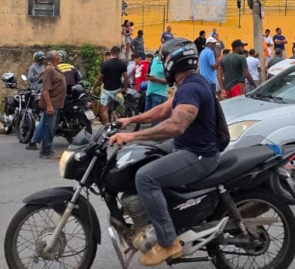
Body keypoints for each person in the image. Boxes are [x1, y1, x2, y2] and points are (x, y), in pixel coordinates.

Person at [108, 38, 221, 267]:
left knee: (146, 177)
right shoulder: (188, 84)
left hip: (199, 155)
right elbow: (162, 110)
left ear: (172, 62)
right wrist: (130, 119)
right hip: (188, 147)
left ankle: (168, 241)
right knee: (147, 154)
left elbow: (175, 126)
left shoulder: (192, 87)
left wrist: (132, 135)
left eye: (163, 59)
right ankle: (166, 215)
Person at [38, 51, 67, 159]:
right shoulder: (49, 70)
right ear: (54, 58)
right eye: (58, 55)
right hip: (52, 104)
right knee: (49, 128)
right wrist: (49, 106)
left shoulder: (56, 68)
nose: (60, 57)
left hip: (57, 104)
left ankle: (44, 150)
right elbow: (45, 90)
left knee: (51, 127)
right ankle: (47, 151)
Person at [92, 46, 128, 125]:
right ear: (118, 53)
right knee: (118, 106)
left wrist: (93, 88)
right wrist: (125, 89)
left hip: (107, 90)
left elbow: (99, 78)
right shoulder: (122, 63)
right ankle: (121, 122)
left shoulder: (105, 64)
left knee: (103, 110)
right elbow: (126, 78)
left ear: (111, 53)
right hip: (117, 89)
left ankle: (107, 127)